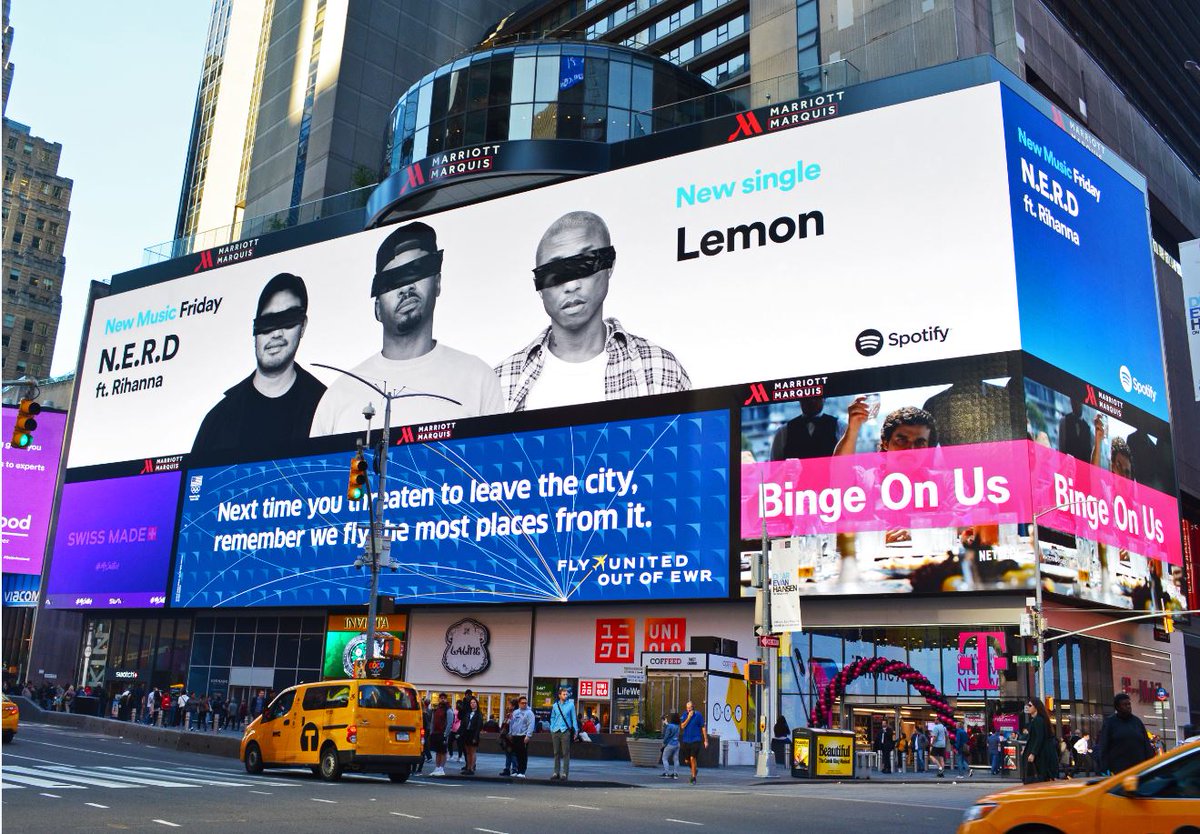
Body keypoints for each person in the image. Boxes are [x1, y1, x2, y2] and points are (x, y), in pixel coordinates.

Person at [310, 221, 504, 436]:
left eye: (417, 271)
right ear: (377, 309)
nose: (406, 287)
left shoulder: (477, 379)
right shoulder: (338, 396)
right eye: (392, 282)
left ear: (437, 282)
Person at [494, 210, 690, 412]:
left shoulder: (659, 369)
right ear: (539, 287)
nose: (571, 285)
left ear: (610, 265)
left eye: (585, 264)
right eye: (554, 273)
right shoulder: (501, 382)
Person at [192, 272, 326, 457]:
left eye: (288, 320)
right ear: (255, 331)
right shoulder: (219, 418)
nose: (276, 333)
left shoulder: (324, 406)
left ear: (302, 326)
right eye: (268, 322)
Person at [1094, 693, 1156, 775]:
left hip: (1139, 769)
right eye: (1124, 704)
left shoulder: (1137, 722)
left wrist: (1150, 763)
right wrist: (1104, 767)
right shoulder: (1110, 723)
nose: (1128, 706)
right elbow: (1104, 745)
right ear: (1117, 707)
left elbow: (1146, 745)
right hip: (1119, 770)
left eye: (1129, 704)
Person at [770, 397, 840, 460]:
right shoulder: (783, 432)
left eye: (817, 397)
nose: (812, 401)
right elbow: (775, 467)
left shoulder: (840, 427)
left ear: (824, 399)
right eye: (807, 398)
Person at [1022, 698, 1057, 783]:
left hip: (1039, 755)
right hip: (1040, 754)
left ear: (1036, 707)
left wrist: (1033, 753)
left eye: (1030, 705)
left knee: (1037, 776)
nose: (1028, 707)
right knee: (1040, 776)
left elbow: (1039, 737)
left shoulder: (1038, 720)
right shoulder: (1038, 720)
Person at [548, 686, 579, 781]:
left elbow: (574, 718)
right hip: (555, 730)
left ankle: (565, 773)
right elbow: (552, 717)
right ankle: (556, 772)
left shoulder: (571, 705)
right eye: (564, 694)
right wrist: (552, 728)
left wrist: (576, 730)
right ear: (559, 695)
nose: (566, 696)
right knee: (556, 752)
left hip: (565, 731)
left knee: (566, 753)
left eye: (567, 694)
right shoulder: (555, 706)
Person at [679, 699, 708, 785]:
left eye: (690, 708)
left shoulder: (698, 715)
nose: (688, 709)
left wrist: (705, 740)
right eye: (687, 708)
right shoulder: (684, 715)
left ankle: (693, 777)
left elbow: (703, 728)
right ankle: (695, 769)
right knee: (687, 761)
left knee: (692, 758)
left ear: (693, 707)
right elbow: (682, 726)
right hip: (686, 740)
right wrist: (689, 717)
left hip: (696, 739)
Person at [1057, 398, 1093, 462]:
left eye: (1078, 402)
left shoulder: (1087, 427)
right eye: (1074, 402)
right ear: (1071, 403)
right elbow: (1061, 448)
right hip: (1068, 466)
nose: (1076, 405)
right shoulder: (1064, 421)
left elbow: (1089, 452)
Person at [508, 695, 535, 778]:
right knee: (516, 754)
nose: (524, 704)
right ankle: (517, 770)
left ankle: (522, 771)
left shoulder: (529, 713)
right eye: (522, 703)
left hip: (523, 735)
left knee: (523, 754)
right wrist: (510, 733)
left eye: (526, 703)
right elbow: (512, 723)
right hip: (515, 735)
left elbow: (531, 725)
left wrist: (528, 736)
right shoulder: (515, 712)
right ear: (519, 704)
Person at [429, 692, 452, 777]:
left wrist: (446, 734)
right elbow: (432, 721)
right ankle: (437, 767)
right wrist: (431, 732)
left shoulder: (448, 710)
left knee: (443, 751)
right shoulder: (437, 709)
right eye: (441, 698)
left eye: (444, 698)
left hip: (443, 733)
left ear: (446, 699)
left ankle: (441, 768)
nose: (442, 699)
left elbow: (449, 723)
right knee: (437, 752)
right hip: (436, 733)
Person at [460, 696, 483, 776]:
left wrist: (475, 737)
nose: (472, 704)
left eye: (474, 702)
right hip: (467, 733)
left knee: (472, 752)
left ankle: (472, 768)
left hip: (474, 734)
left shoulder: (479, 714)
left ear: (477, 704)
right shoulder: (468, 713)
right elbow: (464, 723)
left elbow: (479, 726)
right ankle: (468, 767)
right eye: (471, 703)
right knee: (468, 752)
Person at [499, 697, 520, 777]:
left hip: (511, 736)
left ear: (513, 706)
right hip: (507, 736)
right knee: (508, 753)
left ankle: (514, 769)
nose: (508, 706)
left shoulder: (515, 714)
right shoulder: (509, 714)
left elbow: (513, 725)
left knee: (513, 753)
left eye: (510, 704)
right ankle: (507, 769)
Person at [661, 713, 681, 779]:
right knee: (676, 759)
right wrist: (666, 723)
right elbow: (671, 727)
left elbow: (666, 735)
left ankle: (666, 773)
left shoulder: (670, 726)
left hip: (670, 744)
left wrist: (664, 743)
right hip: (677, 743)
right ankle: (675, 774)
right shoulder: (678, 726)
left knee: (664, 758)